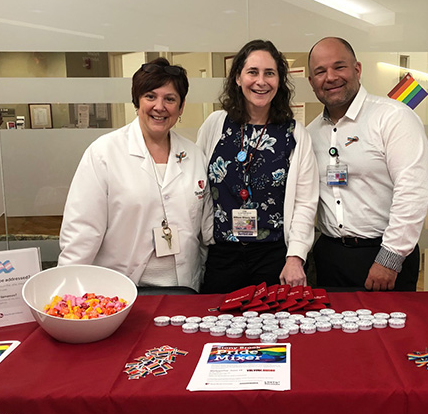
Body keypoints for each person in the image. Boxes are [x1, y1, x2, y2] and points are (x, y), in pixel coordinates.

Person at [58, 58, 212, 291]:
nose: (160, 107)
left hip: (184, 291)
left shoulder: (194, 156)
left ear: (180, 107)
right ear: (137, 102)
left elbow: (204, 234)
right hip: (121, 291)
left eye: (170, 99)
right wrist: (66, 291)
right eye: (150, 96)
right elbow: (82, 232)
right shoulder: (104, 153)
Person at [307, 37, 428, 291]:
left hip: (383, 256)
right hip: (330, 258)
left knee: (388, 331)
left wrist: (390, 259)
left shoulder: (392, 117)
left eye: (339, 67)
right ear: (311, 82)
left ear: (357, 69)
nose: (330, 77)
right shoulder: (310, 133)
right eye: (320, 71)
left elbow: (414, 191)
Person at [197, 39, 319, 293]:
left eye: (270, 73)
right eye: (252, 72)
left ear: (279, 81)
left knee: (274, 329)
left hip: (274, 257)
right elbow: (198, 187)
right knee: (217, 329)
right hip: (222, 256)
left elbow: (305, 202)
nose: (261, 81)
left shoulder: (294, 134)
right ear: (238, 78)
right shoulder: (215, 125)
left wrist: (295, 257)